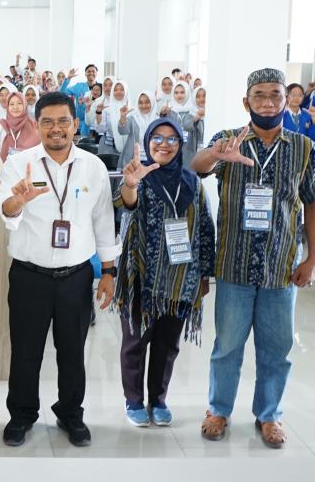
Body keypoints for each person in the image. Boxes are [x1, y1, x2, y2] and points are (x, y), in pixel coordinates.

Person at [192, 68, 315, 449]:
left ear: (287, 101)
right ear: (246, 102)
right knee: (227, 347)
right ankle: (218, 410)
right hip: (234, 266)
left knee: (276, 349)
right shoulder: (228, 140)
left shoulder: (303, 148)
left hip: (281, 269)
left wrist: (313, 258)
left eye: (275, 95)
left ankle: (269, 415)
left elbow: (314, 204)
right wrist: (216, 154)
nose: (267, 102)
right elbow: (197, 167)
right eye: (259, 95)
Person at [0, 91, 120, 448]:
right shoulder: (21, 165)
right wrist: (18, 200)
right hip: (29, 276)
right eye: (47, 122)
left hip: (75, 278)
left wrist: (108, 271)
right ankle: (21, 415)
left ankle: (70, 413)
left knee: (72, 352)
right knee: (26, 352)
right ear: (37, 125)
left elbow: (103, 220)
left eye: (63, 121)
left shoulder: (92, 167)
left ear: (75, 125)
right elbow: (5, 208)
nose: (55, 129)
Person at [114, 119, 215, 428]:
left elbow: (204, 228)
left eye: (172, 139)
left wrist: (203, 275)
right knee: (135, 342)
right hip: (140, 277)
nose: (164, 144)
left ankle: (158, 398)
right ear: (147, 141)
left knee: (167, 344)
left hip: (180, 279)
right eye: (157, 138)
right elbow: (126, 205)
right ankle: (134, 400)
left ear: (180, 145)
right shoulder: (138, 176)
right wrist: (130, 185)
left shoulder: (192, 182)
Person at [0, 92, 41, 161]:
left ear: (25, 105)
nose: (15, 107)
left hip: (28, 169)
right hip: (5, 169)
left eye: (19, 103)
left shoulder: (34, 126)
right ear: (7, 107)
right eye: (11, 104)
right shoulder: (3, 125)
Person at [117, 91, 156, 168]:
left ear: (152, 102)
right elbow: (122, 131)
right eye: (140, 103)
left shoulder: (158, 119)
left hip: (152, 160)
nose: (143, 105)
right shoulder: (133, 118)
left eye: (147, 102)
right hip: (133, 159)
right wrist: (123, 117)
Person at [93, 80, 129, 158]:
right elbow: (100, 130)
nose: (118, 92)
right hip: (107, 147)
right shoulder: (107, 109)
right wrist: (98, 112)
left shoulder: (132, 110)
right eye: (115, 90)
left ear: (126, 91)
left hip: (127, 148)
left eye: (121, 89)